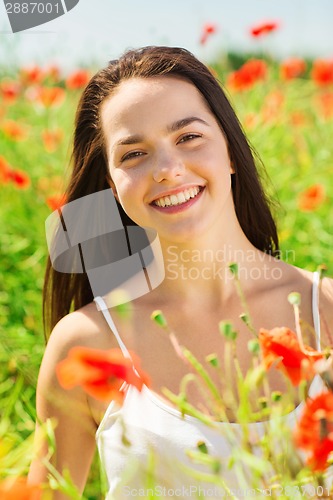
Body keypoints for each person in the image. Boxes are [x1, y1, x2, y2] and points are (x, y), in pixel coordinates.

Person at [28, 46, 333, 498]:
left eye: (189, 137)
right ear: (113, 187)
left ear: (230, 149)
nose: (168, 170)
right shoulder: (86, 343)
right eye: (134, 154)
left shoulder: (325, 309)